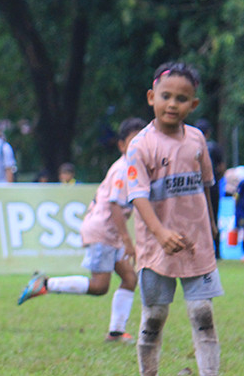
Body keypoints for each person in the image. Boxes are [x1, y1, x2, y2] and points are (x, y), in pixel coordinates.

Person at [124, 61, 223, 376]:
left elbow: (208, 185)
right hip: (157, 248)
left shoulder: (197, 140)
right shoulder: (140, 145)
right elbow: (137, 196)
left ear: (193, 105)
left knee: (202, 313)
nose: (172, 104)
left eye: (181, 98)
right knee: (154, 315)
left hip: (197, 246)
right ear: (152, 97)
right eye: (166, 96)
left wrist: (211, 224)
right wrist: (160, 232)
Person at [17, 117, 147, 343]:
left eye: (142, 141)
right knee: (100, 286)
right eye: (133, 142)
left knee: (129, 278)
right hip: (104, 230)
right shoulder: (124, 169)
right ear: (122, 145)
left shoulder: (134, 168)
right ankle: (45, 284)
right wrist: (127, 239)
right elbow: (115, 205)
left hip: (109, 231)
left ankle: (116, 332)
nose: (138, 147)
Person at [196, 119, 225, 259]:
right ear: (208, 133)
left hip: (194, 188)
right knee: (213, 217)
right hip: (213, 187)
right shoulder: (215, 147)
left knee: (196, 219)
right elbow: (221, 167)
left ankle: (200, 251)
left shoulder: (190, 146)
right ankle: (217, 252)